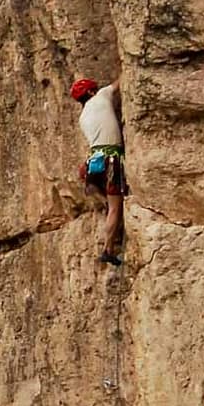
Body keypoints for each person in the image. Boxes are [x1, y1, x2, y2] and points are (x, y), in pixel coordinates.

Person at [71, 77, 128, 266]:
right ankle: (108, 249)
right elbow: (120, 81)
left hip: (94, 164)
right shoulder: (101, 96)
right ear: (90, 92)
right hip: (110, 159)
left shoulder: (82, 118)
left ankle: (109, 216)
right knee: (115, 207)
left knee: (109, 204)